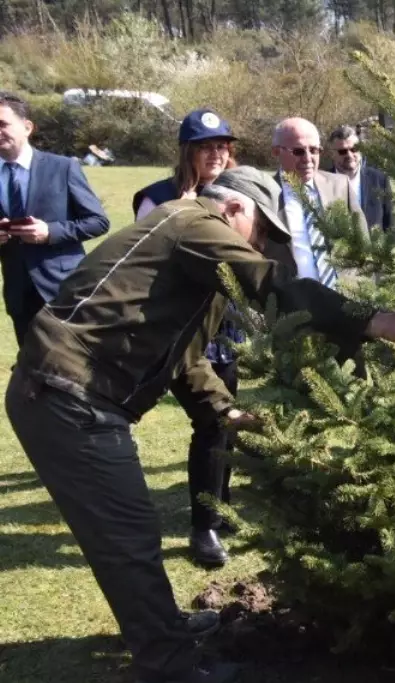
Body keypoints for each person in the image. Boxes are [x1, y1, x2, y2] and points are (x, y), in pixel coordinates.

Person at [6, 166, 395, 683]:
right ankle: (166, 665)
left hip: (65, 391)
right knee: (129, 534)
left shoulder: (187, 260)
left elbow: (184, 360)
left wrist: (225, 410)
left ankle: (163, 629)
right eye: (258, 233)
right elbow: (272, 285)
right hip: (66, 395)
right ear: (235, 208)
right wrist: (370, 319)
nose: (256, 246)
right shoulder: (193, 221)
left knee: (128, 533)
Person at [132, 108, 244, 568]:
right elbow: (142, 267)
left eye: (222, 145)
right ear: (186, 151)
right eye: (205, 146)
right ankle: (205, 529)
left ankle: (221, 502)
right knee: (211, 421)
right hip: (179, 334)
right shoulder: (156, 198)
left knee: (224, 423)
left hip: (226, 327)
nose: (216, 153)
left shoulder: (235, 195)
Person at [0, 91, 109, 344]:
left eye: (3, 124)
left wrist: (51, 232)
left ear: (27, 127)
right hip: (19, 294)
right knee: (31, 370)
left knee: (71, 369)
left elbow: (98, 221)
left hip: (64, 289)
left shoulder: (62, 167)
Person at [269, 117, 368, 288]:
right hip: (294, 306)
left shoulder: (340, 185)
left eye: (314, 150)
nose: (308, 159)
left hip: (347, 300)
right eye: (298, 151)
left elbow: (363, 243)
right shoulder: (264, 193)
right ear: (277, 152)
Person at [329, 124, 393, 231]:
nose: (349, 155)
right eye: (342, 151)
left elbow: (391, 225)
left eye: (354, 149)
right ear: (332, 154)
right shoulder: (322, 183)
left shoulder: (380, 180)